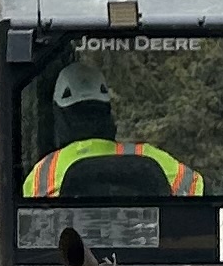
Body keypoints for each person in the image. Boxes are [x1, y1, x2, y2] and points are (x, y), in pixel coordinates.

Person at [23, 54, 204, 197]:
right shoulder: (148, 156)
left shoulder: (45, 172)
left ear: (60, 115)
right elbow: (198, 190)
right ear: (106, 111)